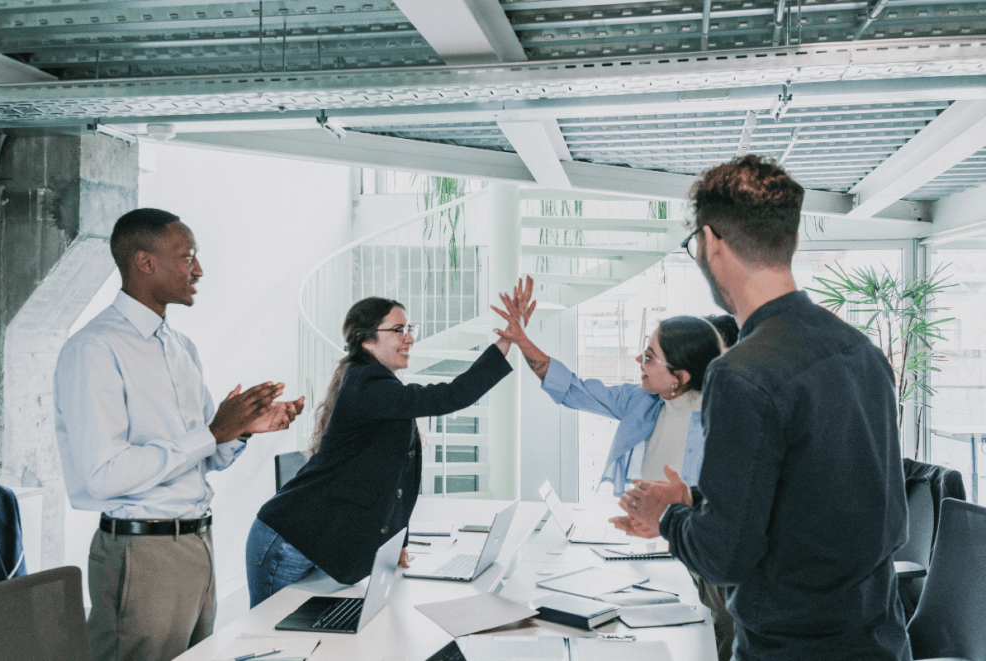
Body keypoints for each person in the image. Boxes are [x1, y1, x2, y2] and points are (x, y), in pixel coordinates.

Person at [612, 155, 910, 661]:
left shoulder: (743, 372)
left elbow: (725, 557)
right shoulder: (864, 352)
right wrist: (702, 499)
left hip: (792, 650)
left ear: (711, 242)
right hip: (878, 639)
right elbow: (822, 501)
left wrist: (669, 515)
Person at [54, 208, 306, 661]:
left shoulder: (180, 347)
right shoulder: (95, 348)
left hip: (197, 544)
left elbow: (206, 455)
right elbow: (104, 475)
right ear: (145, 263)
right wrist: (214, 431)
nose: (199, 270)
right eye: (187, 257)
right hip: (143, 553)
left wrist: (242, 431)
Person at [498, 277, 735, 661]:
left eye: (648, 357)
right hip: (678, 545)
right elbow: (571, 388)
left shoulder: (723, 418)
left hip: (716, 557)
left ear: (680, 376)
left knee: (727, 638)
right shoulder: (641, 402)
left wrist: (670, 518)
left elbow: (734, 503)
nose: (638, 363)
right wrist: (522, 341)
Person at [246, 291, 523, 605]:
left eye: (409, 329)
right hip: (287, 540)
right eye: (398, 330)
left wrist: (395, 539)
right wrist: (505, 344)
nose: (409, 339)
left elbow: (394, 478)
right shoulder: (369, 386)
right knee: (268, 647)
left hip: (318, 538)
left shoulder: (378, 385)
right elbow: (449, 396)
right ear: (367, 341)